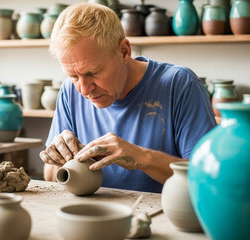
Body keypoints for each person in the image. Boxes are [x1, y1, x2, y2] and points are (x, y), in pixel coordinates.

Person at [39, 3, 216, 193]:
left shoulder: (180, 85)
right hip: (94, 216)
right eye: (73, 76)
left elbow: (209, 177)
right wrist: (58, 159)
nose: (83, 89)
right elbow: (50, 177)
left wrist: (141, 157)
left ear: (124, 52)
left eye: (93, 72)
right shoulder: (69, 91)